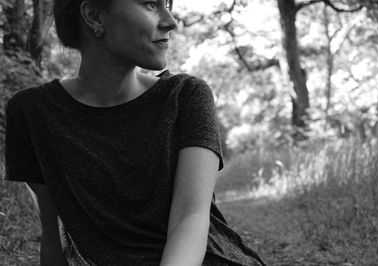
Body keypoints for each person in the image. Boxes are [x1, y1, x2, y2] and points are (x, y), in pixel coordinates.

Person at [4, 0, 267, 265]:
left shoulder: (186, 96)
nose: (170, 21)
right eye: (151, 4)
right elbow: (54, 237)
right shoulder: (32, 112)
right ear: (94, 15)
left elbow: (190, 217)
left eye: (167, 4)